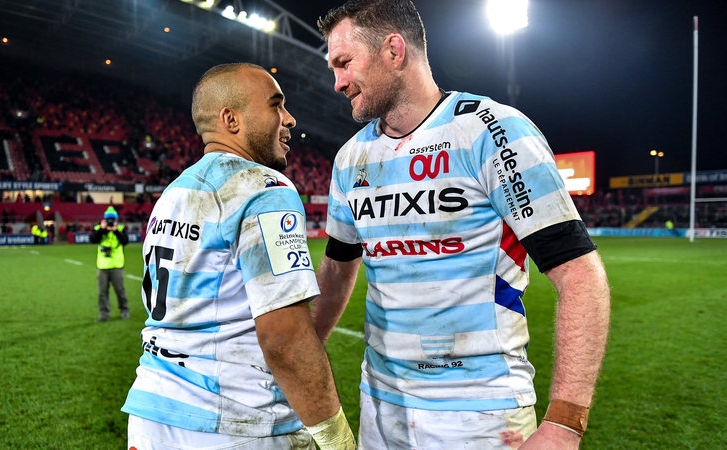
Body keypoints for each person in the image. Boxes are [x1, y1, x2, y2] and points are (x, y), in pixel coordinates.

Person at [312, 1, 611, 449]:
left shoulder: (494, 132)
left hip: (480, 412)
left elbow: (580, 274)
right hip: (380, 406)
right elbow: (337, 268)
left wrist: (566, 422)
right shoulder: (351, 158)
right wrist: (302, 354)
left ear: (394, 50)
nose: (337, 82)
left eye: (344, 63)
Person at [121, 63, 355, 450]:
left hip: (153, 414)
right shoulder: (262, 187)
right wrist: (337, 439)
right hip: (233, 421)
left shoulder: (173, 194)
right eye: (276, 106)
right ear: (231, 119)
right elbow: (285, 338)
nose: (290, 119)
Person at [90, 206, 130, 322]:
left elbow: (125, 241)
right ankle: (104, 314)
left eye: (113, 219)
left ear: (116, 220)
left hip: (117, 266)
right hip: (103, 266)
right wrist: (102, 229)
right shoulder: (99, 228)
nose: (111, 222)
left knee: (120, 291)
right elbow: (93, 239)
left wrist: (116, 231)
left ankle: (124, 310)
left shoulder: (120, 229)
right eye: (109, 219)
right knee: (102, 293)